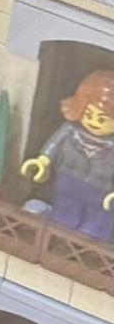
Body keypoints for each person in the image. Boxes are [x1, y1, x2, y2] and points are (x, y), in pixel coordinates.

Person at [22, 69, 114, 233]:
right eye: (89, 114)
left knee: (94, 229)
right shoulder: (70, 130)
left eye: (102, 119)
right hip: (68, 184)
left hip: (100, 194)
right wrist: (42, 162)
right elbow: (52, 147)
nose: (94, 122)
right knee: (63, 220)